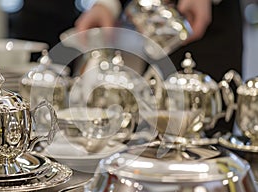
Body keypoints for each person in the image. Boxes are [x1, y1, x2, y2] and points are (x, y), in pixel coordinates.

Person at [75, 0, 243, 134]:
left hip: (208, 29)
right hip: (154, 27)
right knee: (152, 133)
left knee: (208, 134)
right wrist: (106, 3)